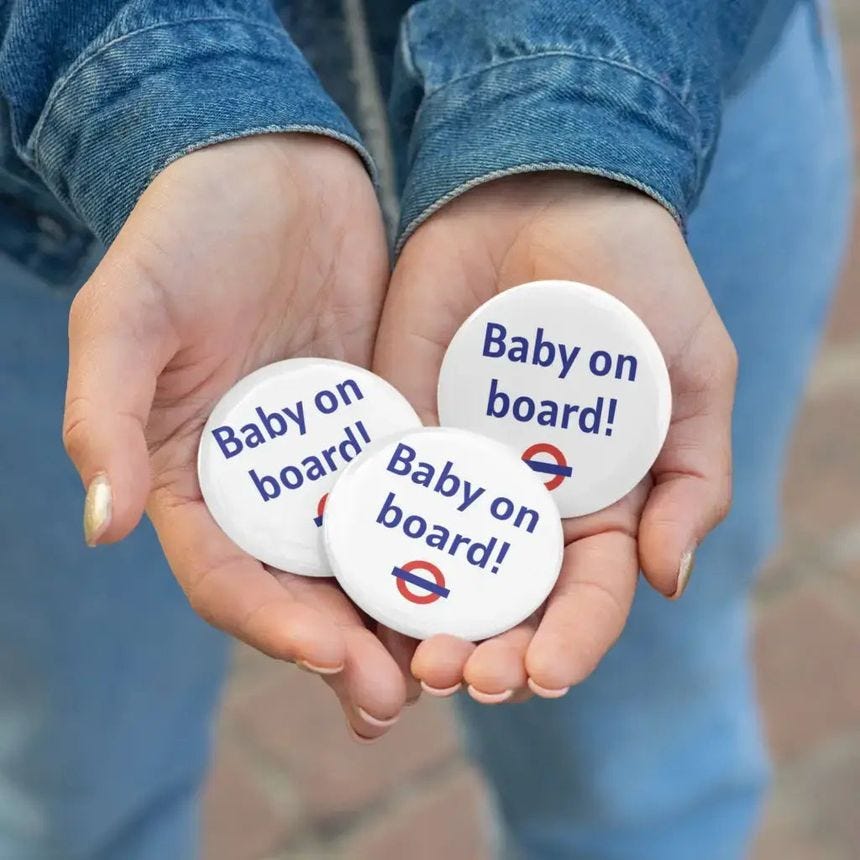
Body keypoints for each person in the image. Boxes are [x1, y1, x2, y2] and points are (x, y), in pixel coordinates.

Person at [0, 0, 852, 857]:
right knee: (82, 787)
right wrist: (154, 86)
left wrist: (580, 93)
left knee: (638, 777)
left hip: (651, 127)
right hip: (96, 204)